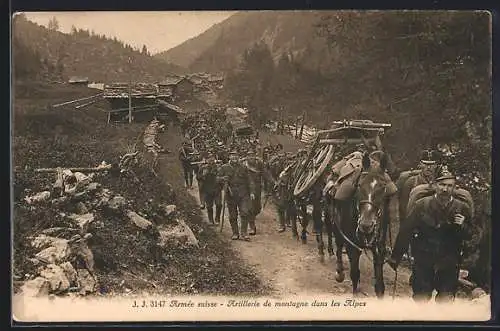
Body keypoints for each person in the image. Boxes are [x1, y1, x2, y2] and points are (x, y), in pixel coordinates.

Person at [387, 166, 474, 303]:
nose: (445, 189)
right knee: (421, 298)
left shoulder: (462, 208)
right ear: (434, 185)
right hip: (423, 259)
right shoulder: (421, 205)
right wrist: (395, 257)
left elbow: (470, 236)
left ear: (454, 188)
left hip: (449, 261)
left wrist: (462, 225)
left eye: (449, 186)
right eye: (442, 185)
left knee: (445, 300)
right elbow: (406, 231)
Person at [217, 151, 256, 241]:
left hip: (243, 194)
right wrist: (222, 179)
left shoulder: (243, 167)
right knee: (233, 215)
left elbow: (250, 180)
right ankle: (235, 233)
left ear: (238, 157)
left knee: (245, 213)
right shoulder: (224, 167)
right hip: (231, 195)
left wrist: (252, 192)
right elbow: (217, 179)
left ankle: (244, 233)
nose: (234, 157)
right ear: (229, 157)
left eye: (236, 156)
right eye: (232, 156)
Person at [198, 153, 222, 225]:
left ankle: (217, 218)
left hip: (217, 189)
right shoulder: (203, 168)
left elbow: (222, 176)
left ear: (215, 159)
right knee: (209, 206)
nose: (211, 160)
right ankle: (210, 220)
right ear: (206, 160)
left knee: (219, 204)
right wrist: (203, 175)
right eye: (209, 158)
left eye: (212, 158)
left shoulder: (218, 167)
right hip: (207, 189)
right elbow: (198, 177)